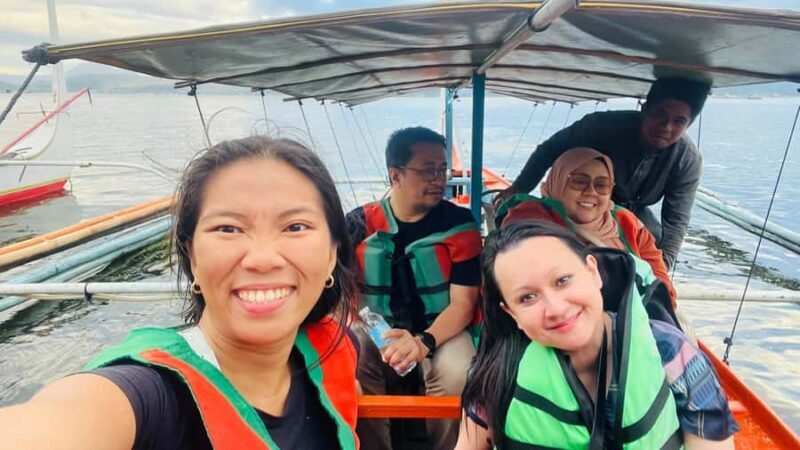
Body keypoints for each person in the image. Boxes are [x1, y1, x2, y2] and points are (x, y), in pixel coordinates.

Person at [0, 136, 361, 449]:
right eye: (228, 228)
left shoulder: (336, 347)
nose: (262, 258)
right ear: (191, 254)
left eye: (295, 226)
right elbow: (57, 425)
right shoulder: (149, 393)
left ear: (332, 253)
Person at [456, 221, 738, 450]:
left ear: (593, 273)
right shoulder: (494, 374)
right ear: (512, 313)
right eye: (528, 297)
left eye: (563, 280)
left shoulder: (673, 354)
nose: (556, 309)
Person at [347, 126, 481, 450]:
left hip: (441, 329)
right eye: (427, 170)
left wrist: (423, 343)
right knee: (353, 353)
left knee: (457, 371)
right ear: (395, 175)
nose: (439, 179)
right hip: (377, 329)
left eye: (442, 169)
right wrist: (361, 327)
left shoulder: (460, 225)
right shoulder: (357, 225)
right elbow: (338, 292)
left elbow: (463, 305)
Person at [495, 77, 712, 270]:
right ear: (644, 109)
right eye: (659, 115)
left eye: (679, 122)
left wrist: (663, 271)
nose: (666, 127)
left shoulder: (688, 161)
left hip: (631, 213)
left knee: (650, 252)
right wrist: (518, 189)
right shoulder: (600, 127)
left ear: (688, 124)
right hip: (576, 206)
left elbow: (675, 221)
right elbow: (548, 151)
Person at [499, 147, 678, 305]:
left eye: (602, 185)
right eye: (579, 181)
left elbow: (662, 287)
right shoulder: (529, 217)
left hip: (634, 324)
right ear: (559, 180)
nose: (591, 191)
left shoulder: (626, 222)